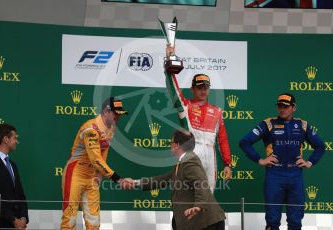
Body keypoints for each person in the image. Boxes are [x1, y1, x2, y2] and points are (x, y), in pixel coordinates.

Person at [239, 93, 325, 230]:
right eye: (280, 106)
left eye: (286, 106)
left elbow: (320, 146)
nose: (282, 109)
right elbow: (245, 142)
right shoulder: (268, 124)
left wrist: (310, 162)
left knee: (295, 221)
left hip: (295, 175)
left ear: (294, 107)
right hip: (274, 175)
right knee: (272, 221)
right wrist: (260, 160)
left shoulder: (302, 125)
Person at [165, 45, 232, 193]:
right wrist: (169, 66)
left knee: (207, 196)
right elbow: (174, 91)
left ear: (208, 89)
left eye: (205, 87)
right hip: (191, 151)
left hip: (210, 155)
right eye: (199, 87)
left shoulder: (217, 112)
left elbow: (223, 140)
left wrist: (228, 164)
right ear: (192, 89)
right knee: (187, 194)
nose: (202, 90)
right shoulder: (186, 106)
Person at [61, 97, 133, 230]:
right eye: (116, 113)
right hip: (75, 174)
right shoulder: (90, 129)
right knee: (69, 220)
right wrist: (118, 179)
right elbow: (95, 159)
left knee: (93, 221)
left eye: (120, 114)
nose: (119, 117)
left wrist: (99, 174)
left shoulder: (112, 128)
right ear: (106, 111)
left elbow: (103, 152)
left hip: (92, 176)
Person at [135, 130, 226, 230]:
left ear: (177, 145)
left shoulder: (189, 161)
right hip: (200, 223)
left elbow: (201, 182)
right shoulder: (183, 161)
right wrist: (136, 183)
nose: (170, 145)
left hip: (207, 224)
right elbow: (163, 179)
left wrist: (199, 206)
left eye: (171, 142)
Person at [0, 124, 29, 229]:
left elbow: (21, 195)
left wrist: (23, 218)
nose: (17, 141)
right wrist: (13, 220)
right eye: (15, 138)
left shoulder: (13, 165)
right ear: (6, 139)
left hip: (16, 226)